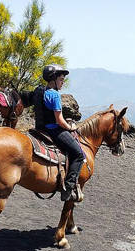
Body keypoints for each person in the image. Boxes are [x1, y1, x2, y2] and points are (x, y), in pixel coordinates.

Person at [37, 64, 85, 201]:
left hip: (42, 129)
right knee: (79, 154)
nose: (63, 82)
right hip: (54, 130)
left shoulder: (42, 91)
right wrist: (71, 128)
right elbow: (59, 121)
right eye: (61, 80)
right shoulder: (55, 95)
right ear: (53, 79)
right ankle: (68, 188)